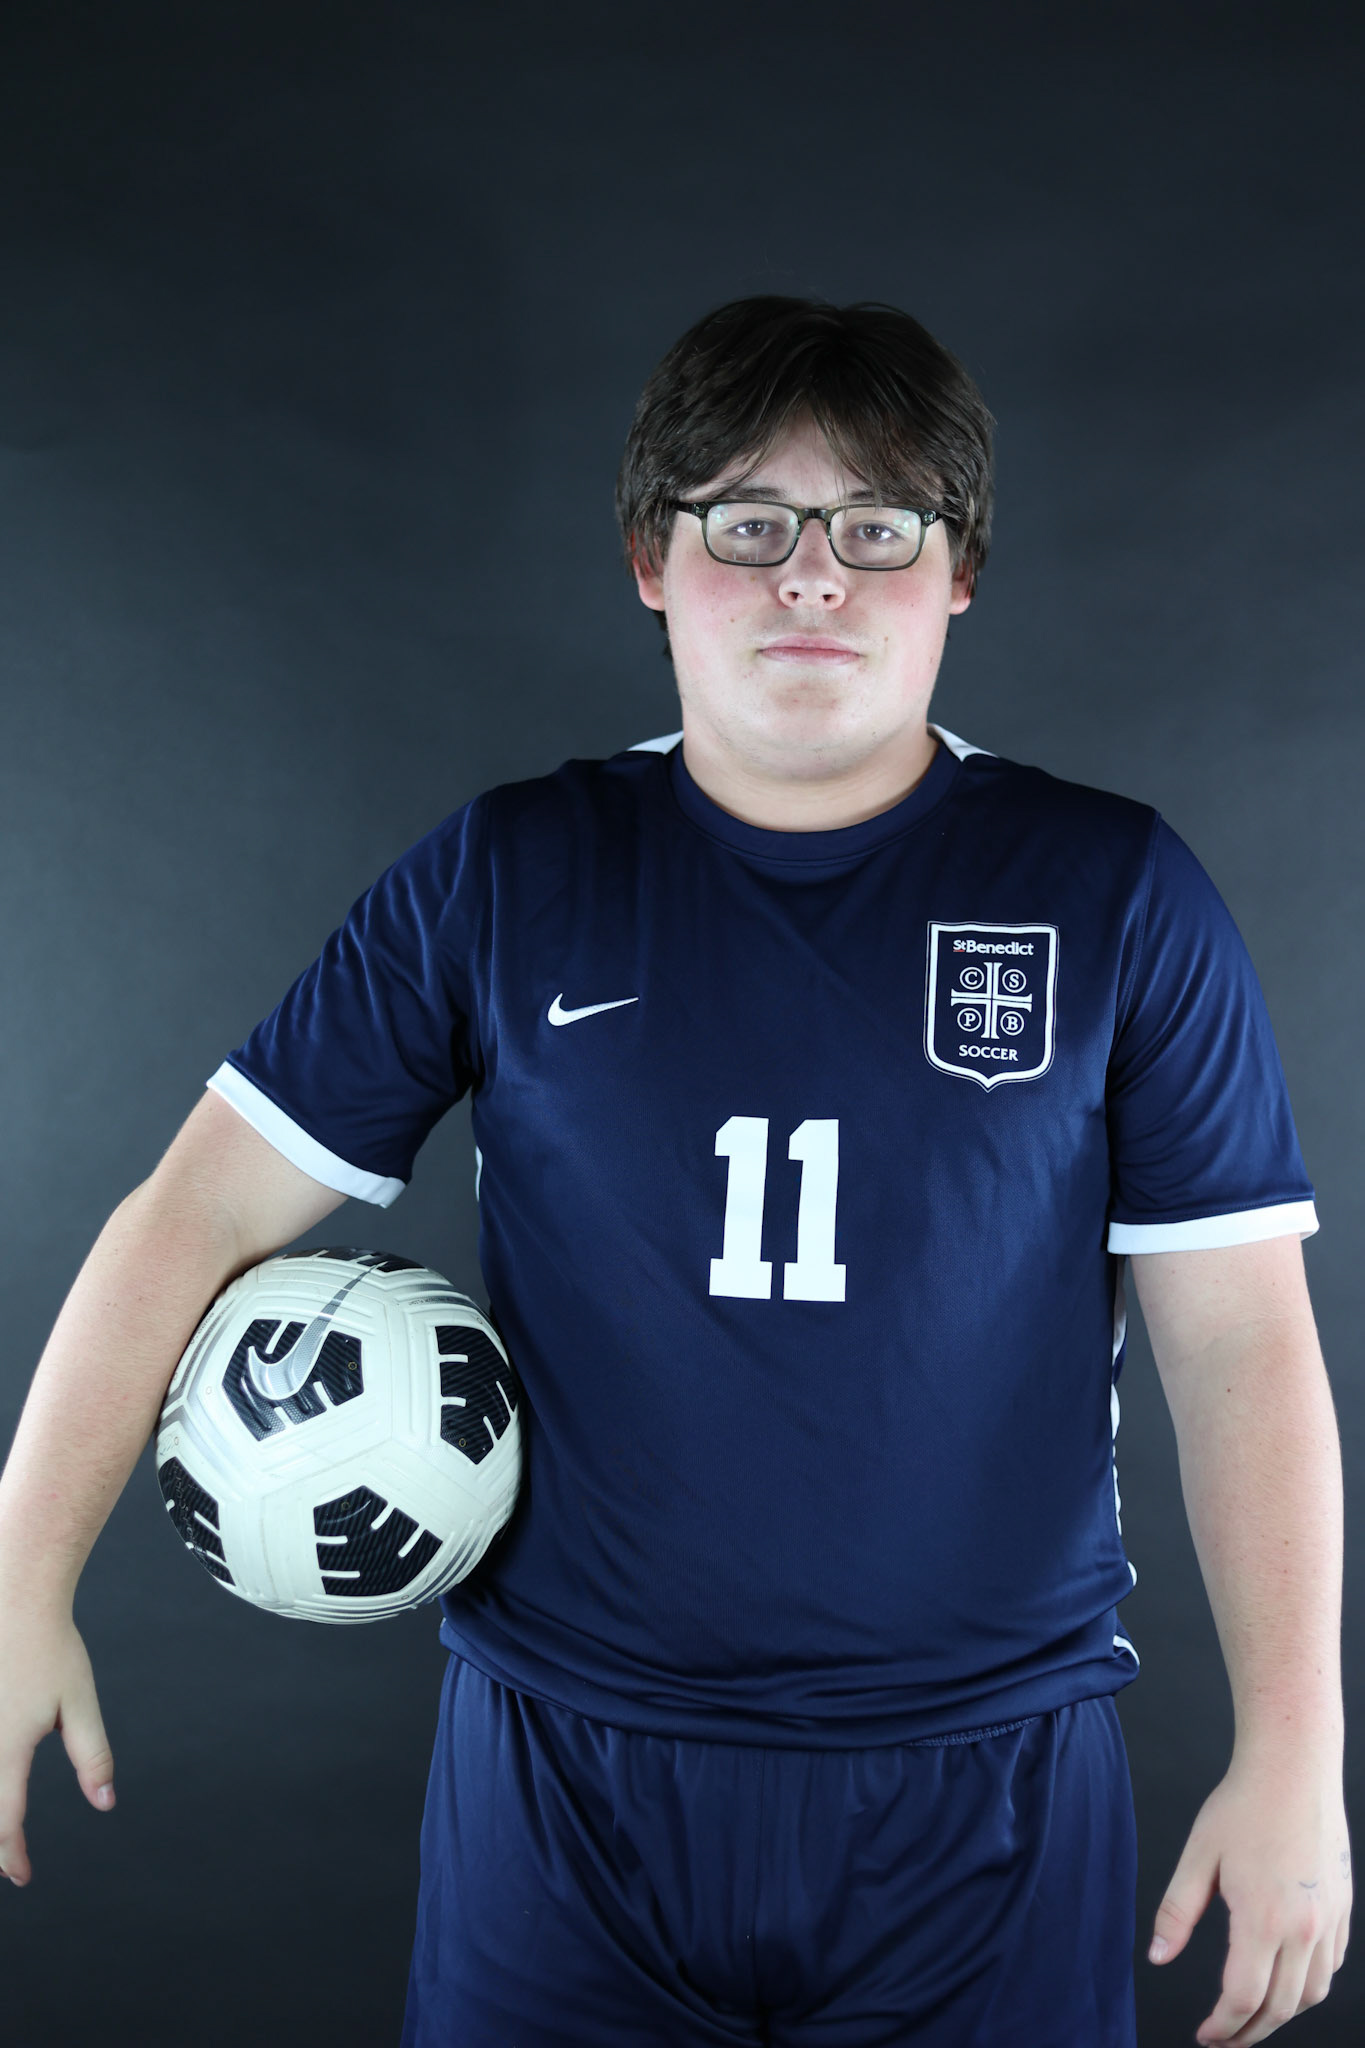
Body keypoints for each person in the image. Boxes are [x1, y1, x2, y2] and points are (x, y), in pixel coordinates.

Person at [0, 296, 1349, 2048]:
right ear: (652, 558)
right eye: (747, 524)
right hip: (566, 1775)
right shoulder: (511, 870)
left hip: (988, 1781)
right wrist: (21, 1582)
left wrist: (1296, 1757)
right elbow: (191, 1210)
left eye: (879, 527)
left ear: (959, 576)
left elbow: (1238, 1341)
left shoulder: (1113, 892)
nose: (812, 577)